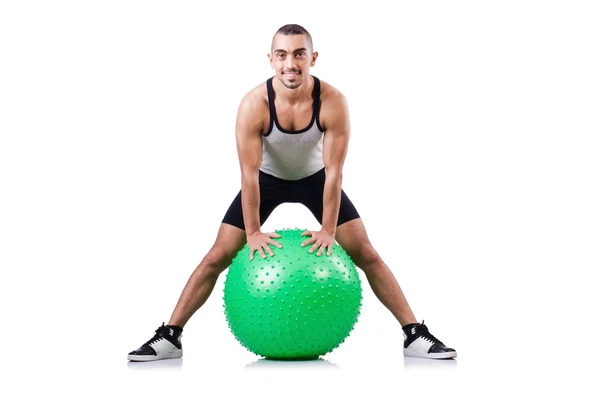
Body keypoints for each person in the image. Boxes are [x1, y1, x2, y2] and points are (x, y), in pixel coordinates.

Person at [127, 24, 456, 362]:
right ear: (270, 59)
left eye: (299, 54)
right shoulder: (254, 104)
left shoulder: (332, 101)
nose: (291, 63)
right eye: (282, 54)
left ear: (312, 57)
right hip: (266, 181)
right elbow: (248, 175)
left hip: (316, 179)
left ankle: (413, 333)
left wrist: (329, 230)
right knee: (216, 256)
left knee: (367, 254)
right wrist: (252, 232)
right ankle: (171, 336)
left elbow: (334, 173)